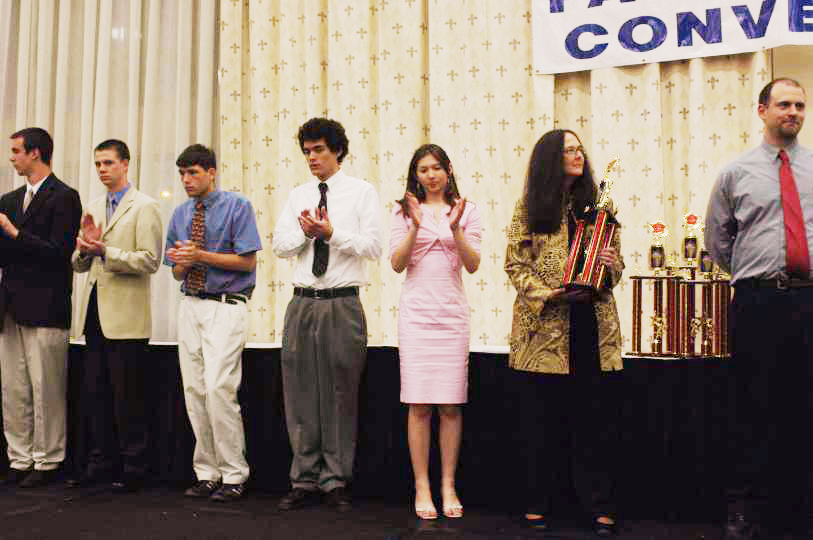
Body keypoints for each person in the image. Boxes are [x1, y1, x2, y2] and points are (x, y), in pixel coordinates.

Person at [705, 78, 813, 540]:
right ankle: (746, 509)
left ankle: (801, 510)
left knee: (804, 407)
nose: (793, 112)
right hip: (759, 303)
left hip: (809, 301)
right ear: (762, 110)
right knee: (752, 406)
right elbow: (717, 240)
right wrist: (757, 274)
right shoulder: (735, 173)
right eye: (784, 104)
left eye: (800, 105)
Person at [504, 129, 624, 537]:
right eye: (568, 150)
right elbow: (515, 265)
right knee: (542, 423)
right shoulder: (529, 207)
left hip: (591, 325)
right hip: (544, 331)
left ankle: (598, 504)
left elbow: (616, 267)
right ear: (549, 159)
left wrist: (610, 264)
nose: (578, 155)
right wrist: (548, 293)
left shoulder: (600, 206)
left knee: (593, 422)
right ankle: (539, 501)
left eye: (579, 149)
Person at [272, 118, 382, 512]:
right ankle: (303, 478)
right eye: (307, 151)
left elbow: (374, 247)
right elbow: (280, 246)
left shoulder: (362, 192)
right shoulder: (298, 195)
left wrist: (332, 233)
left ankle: (336, 480)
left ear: (338, 150)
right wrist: (306, 233)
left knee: (340, 393)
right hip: (303, 302)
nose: (312, 158)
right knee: (300, 393)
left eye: (318, 150)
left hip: (342, 302)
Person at [164, 144, 261, 502]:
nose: (186, 180)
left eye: (193, 173)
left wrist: (200, 255)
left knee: (220, 387)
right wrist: (184, 262)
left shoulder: (238, 206)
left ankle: (234, 474)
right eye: (182, 174)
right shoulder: (180, 214)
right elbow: (176, 271)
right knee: (195, 390)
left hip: (226, 304)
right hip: (191, 303)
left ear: (211, 172)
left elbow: (248, 262)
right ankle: (207, 472)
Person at [389, 144, 481, 520]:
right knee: (419, 404)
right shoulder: (402, 210)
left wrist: (455, 228)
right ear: (416, 174)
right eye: (423, 169)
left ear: (448, 170)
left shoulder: (467, 210)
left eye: (437, 168)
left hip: (451, 315)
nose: (431, 175)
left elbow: (473, 264)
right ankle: (422, 486)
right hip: (416, 316)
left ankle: (448, 484)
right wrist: (414, 225)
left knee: (450, 405)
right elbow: (397, 264)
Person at [69, 139, 162, 492]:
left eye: (108, 163)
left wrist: (106, 251)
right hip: (94, 311)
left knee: (128, 397)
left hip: (127, 316)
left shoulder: (145, 206)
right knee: (97, 394)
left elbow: (150, 260)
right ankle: (100, 463)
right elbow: (78, 264)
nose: (102, 170)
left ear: (125, 164)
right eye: (98, 164)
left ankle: (135, 467)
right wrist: (84, 251)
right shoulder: (92, 206)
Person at [0, 127, 82, 487]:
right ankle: (19, 458)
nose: (12, 158)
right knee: (14, 388)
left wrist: (16, 233)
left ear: (36, 153)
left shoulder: (64, 197)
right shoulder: (9, 200)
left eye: (17, 151)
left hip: (47, 305)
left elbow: (59, 252)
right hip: (10, 305)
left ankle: (47, 460)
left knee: (46, 387)